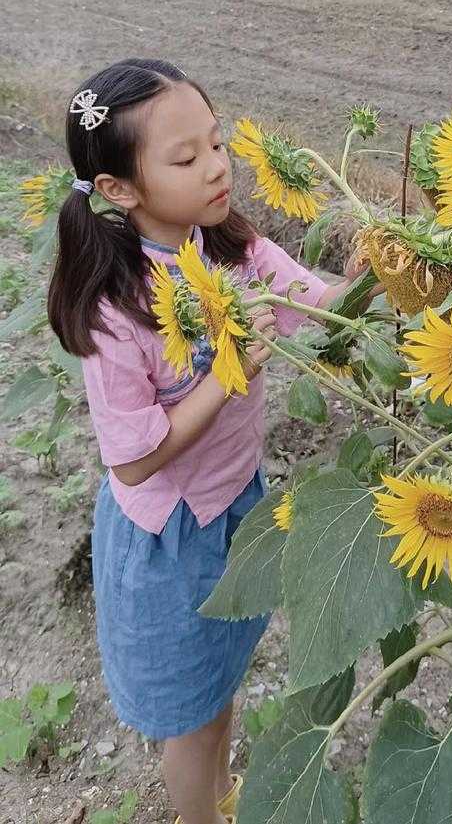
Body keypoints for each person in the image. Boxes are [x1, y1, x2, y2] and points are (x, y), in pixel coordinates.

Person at [48, 58, 368, 824]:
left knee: (218, 689)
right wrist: (229, 372)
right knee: (189, 719)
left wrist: (372, 277)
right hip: (167, 536)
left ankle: (218, 804)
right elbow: (133, 453)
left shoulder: (228, 245)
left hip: (237, 508)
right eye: (187, 158)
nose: (219, 167)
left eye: (217, 144)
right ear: (120, 189)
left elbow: (317, 305)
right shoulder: (115, 305)